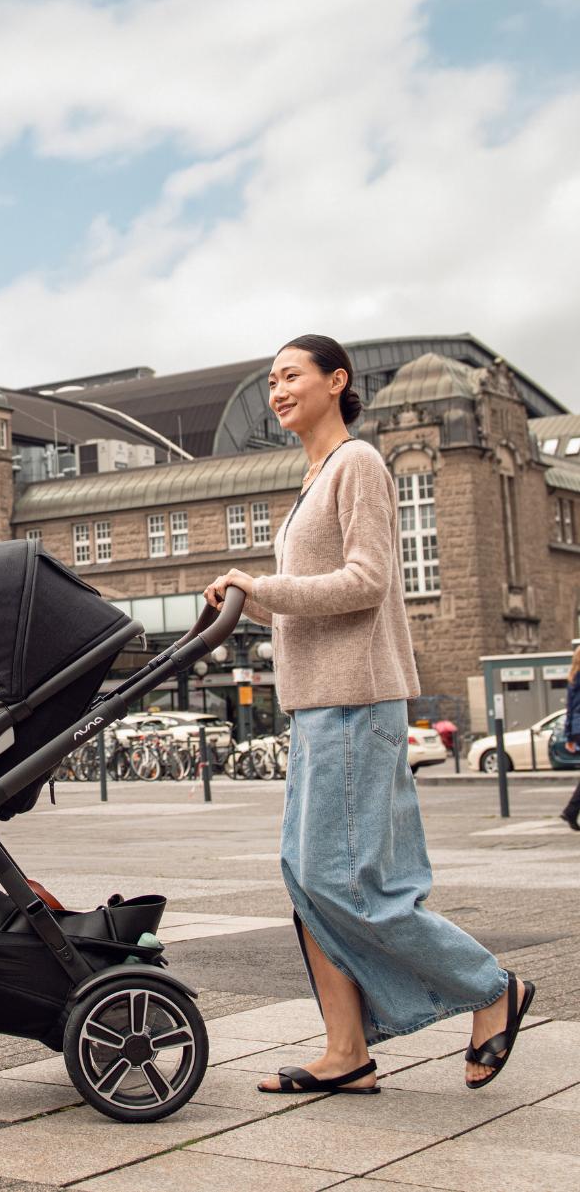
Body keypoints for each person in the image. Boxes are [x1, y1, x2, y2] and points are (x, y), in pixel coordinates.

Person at [205, 334, 534, 1096]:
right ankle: (346, 1049)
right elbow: (310, 605)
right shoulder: (312, 474)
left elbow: (365, 582)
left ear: (336, 381)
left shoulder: (357, 463)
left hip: (356, 699)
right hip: (320, 702)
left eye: (291, 375)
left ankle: (492, 988)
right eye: (272, 379)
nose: (277, 389)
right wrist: (247, 606)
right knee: (306, 878)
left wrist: (263, 587)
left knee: (349, 882)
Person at [559, 644, 580, 831]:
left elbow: (570, 709)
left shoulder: (573, 678)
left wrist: (569, 736)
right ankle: (571, 811)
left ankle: (571, 811)